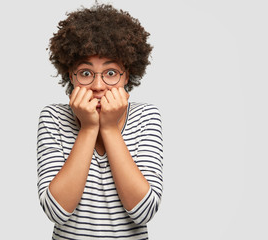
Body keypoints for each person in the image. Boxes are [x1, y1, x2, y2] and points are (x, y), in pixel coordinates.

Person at [37, 4, 163, 239]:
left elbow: (144, 211)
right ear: (70, 76)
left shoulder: (147, 116)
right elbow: (56, 211)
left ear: (127, 75)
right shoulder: (53, 118)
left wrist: (108, 128)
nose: (98, 85)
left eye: (111, 73)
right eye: (85, 73)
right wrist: (89, 127)